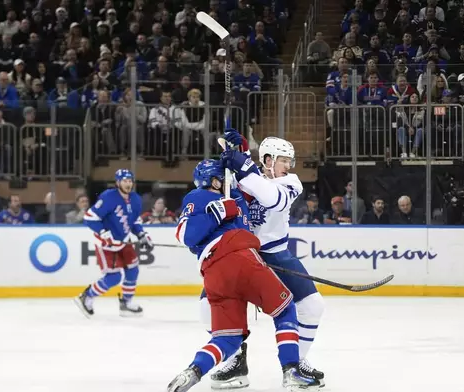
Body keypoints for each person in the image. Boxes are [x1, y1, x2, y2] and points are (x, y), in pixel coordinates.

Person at [166, 159, 320, 392]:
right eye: (225, 177)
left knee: (228, 337)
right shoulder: (199, 197)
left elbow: (256, 185)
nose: (232, 181)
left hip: (215, 274)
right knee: (286, 307)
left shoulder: (236, 198)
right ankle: (292, 371)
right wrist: (217, 212)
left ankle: (193, 371)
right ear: (214, 181)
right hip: (241, 259)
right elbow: (185, 234)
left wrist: (242, 154)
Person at [209, 132, 325, 389]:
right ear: (269, 159)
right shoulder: (244, 178)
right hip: (241, 256)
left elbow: (272, 199)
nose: (289, 166)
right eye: (285, 160)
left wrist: (244, 166)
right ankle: (235, 362)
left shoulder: (291, 182)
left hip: (277, 253)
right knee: (207, 305)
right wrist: (229, 158)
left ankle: (297, 362)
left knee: (313, 305)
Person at [74, 169, 153, 318]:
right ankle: (86, 296)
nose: (128, 184)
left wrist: (142, 234)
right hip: (106, 245)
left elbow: (135, 221)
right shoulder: (108, 197)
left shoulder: (136, 199)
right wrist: (104, 233)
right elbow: (90, 218)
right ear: (118, 182)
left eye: (130, 181)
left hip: (123, 242)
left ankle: (126, 303)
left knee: (133, 270)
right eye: (124, 181)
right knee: (114, 277)